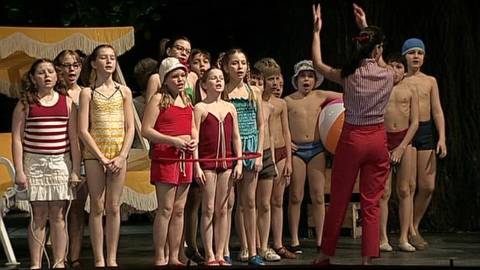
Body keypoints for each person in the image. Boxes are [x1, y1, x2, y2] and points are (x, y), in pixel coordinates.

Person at [311, 3, 395, 265]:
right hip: (378, 140)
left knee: (338, 200)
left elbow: (317, 64)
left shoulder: (348, 75)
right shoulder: (389, 74)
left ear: (359, 47)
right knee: (371, 202)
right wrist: (366, 26)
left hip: (353, 139)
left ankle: (325, 255)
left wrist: (316, 32)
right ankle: (367, 261)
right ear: (379, 48)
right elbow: (377, 57)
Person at [12, 59, 80, 269]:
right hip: (35, 162)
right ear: (33, 78)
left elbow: (74, 139)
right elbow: (17, 138)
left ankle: (59, 262)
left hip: (60, 162)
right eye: (41, 72)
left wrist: (76, 170)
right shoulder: (25, 103)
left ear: (56, 75)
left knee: (59, 215)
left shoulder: (67, 102)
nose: (47, 76)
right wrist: (20, 171)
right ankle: (35, 263)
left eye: (50, 71)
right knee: (38, 215)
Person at [78, 44, 135, 268]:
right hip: (95, 154)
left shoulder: (124, 91)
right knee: (97, 206)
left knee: (114, 207)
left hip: (118, 153)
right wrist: (101, 156)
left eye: (112, 58)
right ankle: (99, 258)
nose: (109, 61)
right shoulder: (88, 92)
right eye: (104, 58)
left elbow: (130, 127)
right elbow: (83, 130)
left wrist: (121, 156)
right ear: (94, 63)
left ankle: (111, 257)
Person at [141, 57, 198, 267]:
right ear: (165, 80)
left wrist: (194, 140)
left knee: (179, 209)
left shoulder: (187, 100)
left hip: (185, 158)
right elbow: (146, 130)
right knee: (165, 209)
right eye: (175, 76)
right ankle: (160, 256)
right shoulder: (158, 100)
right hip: (166, 157)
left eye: (183, 75)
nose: (181, 79)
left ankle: (174, 255)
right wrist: (172, 140)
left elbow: (192, 127)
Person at [284, 59, 341, 254]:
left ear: (316, 79)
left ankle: (320, 239)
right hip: (297, 151)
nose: (306, 79)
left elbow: (348, 95)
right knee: (296, 196)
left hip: (316, 149)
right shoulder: (288, 101)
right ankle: (294, 239)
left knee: (318, 196)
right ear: (296, 79)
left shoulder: (320, 95)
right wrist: (286, 142)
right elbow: (278, 124)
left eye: (310, 76)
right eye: (303, 76)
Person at [193, 67, 242, 266]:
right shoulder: (200, 108)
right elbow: (194, 139)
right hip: (207, 164)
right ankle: (210, 254)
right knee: (208, 208)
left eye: (221, 78)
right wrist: (196, 166)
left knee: (223, 209)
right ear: (204, 84)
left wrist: (238, 162)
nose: (219, 81)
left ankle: (221, 252)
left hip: (227, 164)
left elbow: (236, 137)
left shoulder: (230, 107)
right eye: (213, 78)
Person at [401, 38, 447, 250]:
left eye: (420, 52)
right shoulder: (399, 80)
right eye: (412, 53)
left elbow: (437, 110)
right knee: (408, 186)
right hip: (407, 131)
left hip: (426, 131)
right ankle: (408, 231)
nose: (416, 56)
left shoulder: (430, 81)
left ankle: (414, 225)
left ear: (424, 56)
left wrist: (442, 138)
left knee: (427, 186)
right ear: (405, 56)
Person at [221, 48, 265, 266]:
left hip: (251, 146)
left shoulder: (253, 91)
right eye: (235, 63)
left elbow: (261, 125)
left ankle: (252, 249)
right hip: (229, 148)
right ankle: (224, 250)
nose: (240, 67)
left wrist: (259, 155)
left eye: (243, 63)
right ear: (227, 67)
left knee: (249, 201)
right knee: (228, 202)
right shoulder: (223, 92)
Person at [254, 58, 296, 259]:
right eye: (270, 79)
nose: (275, 83)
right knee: (260, 202)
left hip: (280, 151)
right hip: (264, 152)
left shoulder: (280, 103)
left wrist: (288, 160)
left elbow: (287, 132)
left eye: (277, 78)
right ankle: (257, 243)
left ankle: (278, 243)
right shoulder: (257, 102)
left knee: (277, 201)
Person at [379, 53, 419, 252]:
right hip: (383, 141)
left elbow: (415, 122)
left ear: (404, 71)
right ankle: (383, 238)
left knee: (404, 190)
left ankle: (404, 237)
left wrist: (402, 146)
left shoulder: (410, 90)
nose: (395, 70)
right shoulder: (380, 88)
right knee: (383, 192)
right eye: (392, 66)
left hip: (404, 140)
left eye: (399, 67)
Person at [53, 49, 87, 269]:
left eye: (75, 65)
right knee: (57, 210)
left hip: (84, 157)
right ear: (59, 68)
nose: (71, 69)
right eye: (66, 65)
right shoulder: (53, 94)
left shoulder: (86, 93)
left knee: (77, 208)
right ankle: (59, 256)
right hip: (58, 155)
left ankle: (73, 257)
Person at [183, 49, 212, 264]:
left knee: (208, 203)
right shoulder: (190, 89)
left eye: (205, 62)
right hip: (193, 148)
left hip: (211, 150)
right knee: (191, 202)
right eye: (196, 62)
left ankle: (210, 247)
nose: (201, 65)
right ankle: (190, 246)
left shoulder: (213, 87)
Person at [145, 36, 198, 103]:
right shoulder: (156, 78)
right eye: (179, 48)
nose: (184, 53)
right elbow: (149, 110)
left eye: (188, 52)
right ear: (169, 51)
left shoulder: (193, 76)